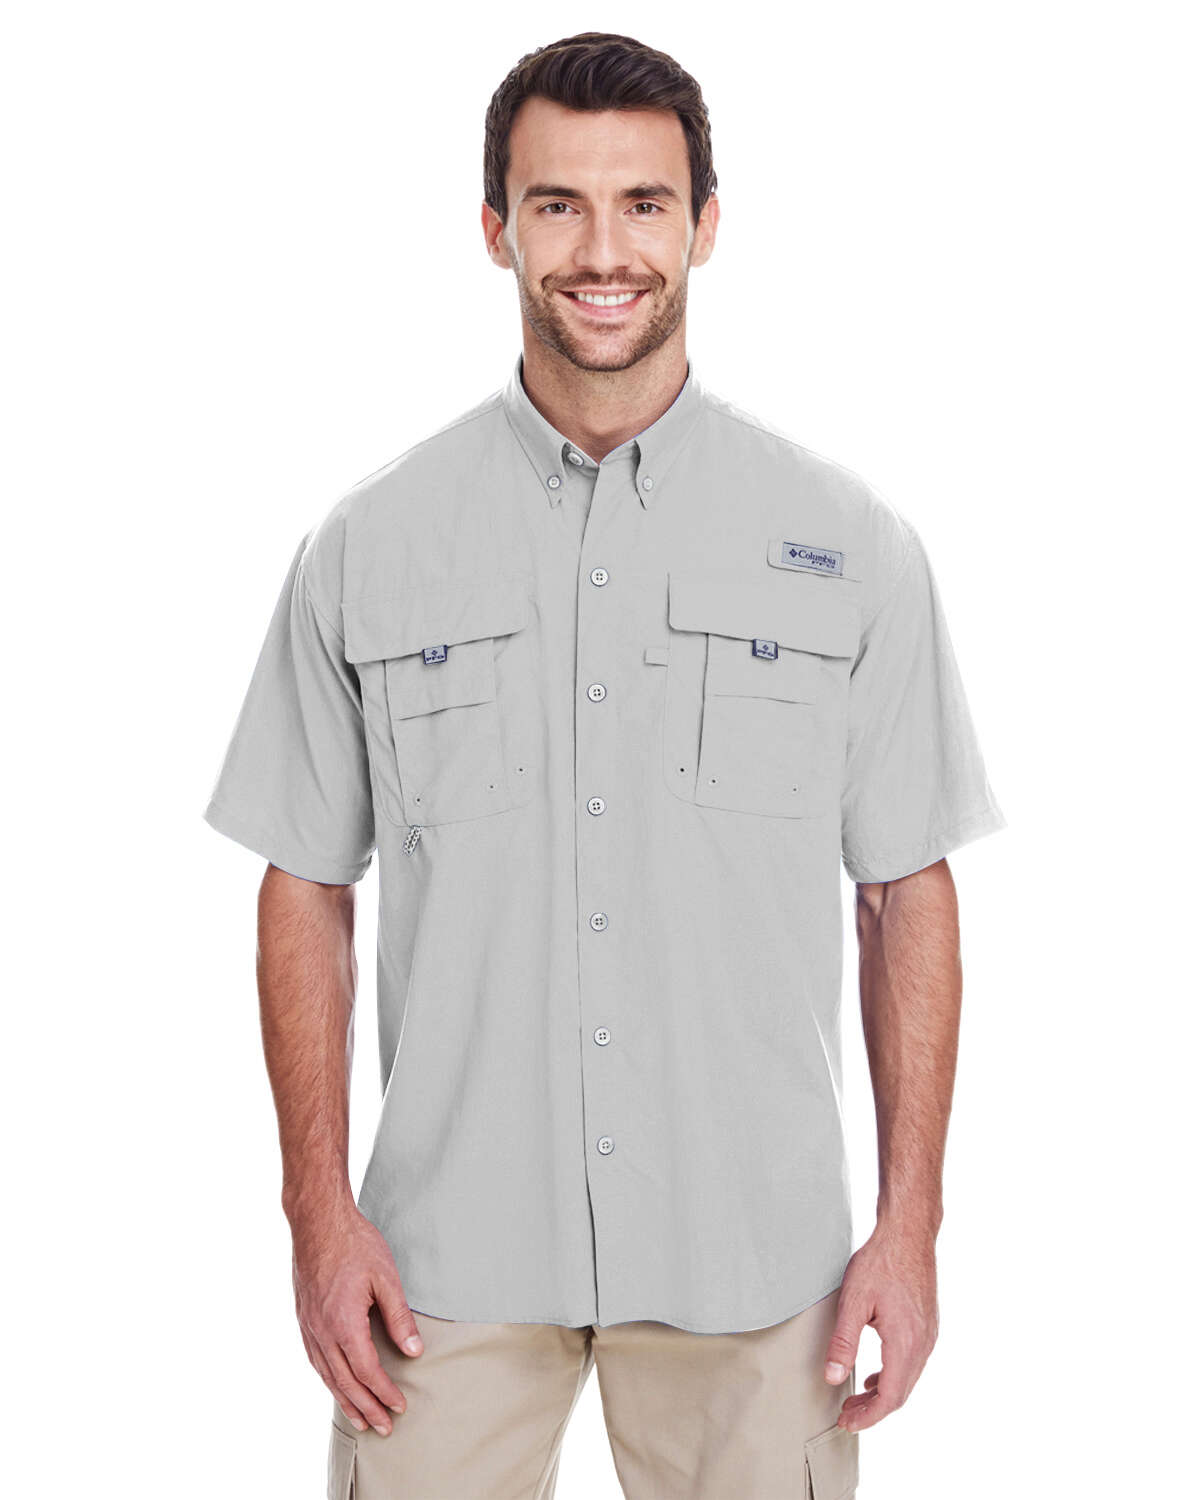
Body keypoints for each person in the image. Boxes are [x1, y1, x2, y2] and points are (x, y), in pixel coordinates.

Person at [203, 30, 1006, 1500]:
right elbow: (304, 883)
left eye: (644, 203)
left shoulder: (852, 549)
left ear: (706, 224)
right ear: (495, 227)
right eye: (557, 204)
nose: (603, 251)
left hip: (755, 1271)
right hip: (440, 1269)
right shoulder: (368, 547)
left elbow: (906, 892)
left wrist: (912, 1226)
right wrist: (316, 1215)